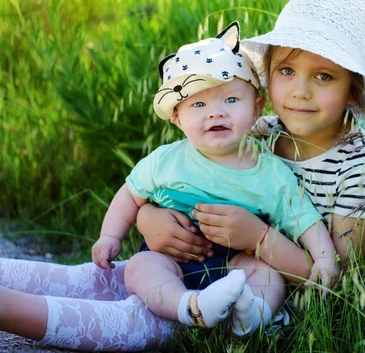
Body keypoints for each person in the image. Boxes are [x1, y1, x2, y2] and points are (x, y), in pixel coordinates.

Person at [0, 0, 365, 351]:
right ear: (267, 77)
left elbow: (337, 284)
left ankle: (12, 313)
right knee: (106, 277)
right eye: (287, 70)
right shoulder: (262, 131)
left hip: (257, 301)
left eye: (324, 77)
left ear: (352, 90)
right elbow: (179, 175)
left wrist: (257, 238)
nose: (300, 92)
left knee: (131, 321)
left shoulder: (364, 169)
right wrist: (147, 220)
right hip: (184, 264)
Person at [91, 21, 339, 337]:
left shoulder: (270, 172)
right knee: (141, 268)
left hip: (235, 263)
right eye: (199, 104)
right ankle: (189, 307)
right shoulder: (167, 161)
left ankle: (252, 314)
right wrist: (110, 237)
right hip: (172, 261)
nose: (216, 113)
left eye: (231, 100)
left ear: (255, 109)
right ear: (178, 117)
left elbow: (304, 219)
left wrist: (324, 259)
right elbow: (130, 194)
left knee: (265, 274)